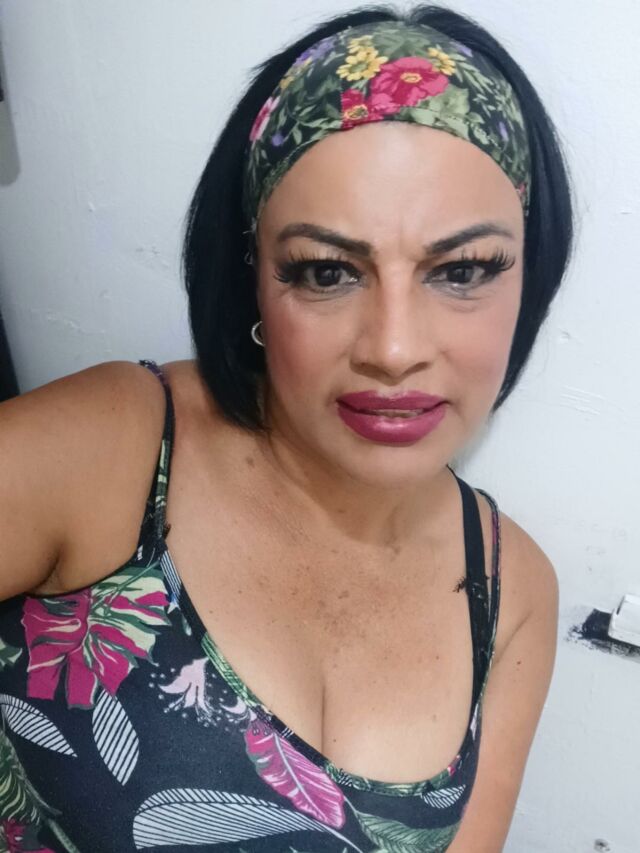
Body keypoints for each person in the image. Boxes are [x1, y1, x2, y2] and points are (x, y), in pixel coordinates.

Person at [0, 5, 573, 852]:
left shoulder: (512, 588)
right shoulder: (113, 449)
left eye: (462, 270)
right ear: (254, 281)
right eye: (326, 271)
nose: (394, 348)